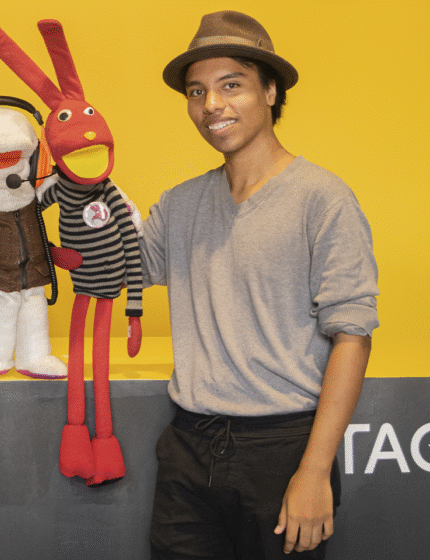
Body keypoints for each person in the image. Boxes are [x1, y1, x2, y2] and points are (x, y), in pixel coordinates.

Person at [140, 11, 379, 559]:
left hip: (283, 449)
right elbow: (114, 272)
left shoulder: (323, 199)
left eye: (232, 85)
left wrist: (313, 471)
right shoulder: (179, 204)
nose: (211, 104)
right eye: (197, 91)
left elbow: (352, 337)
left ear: (270, 92)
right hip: (188, 445)